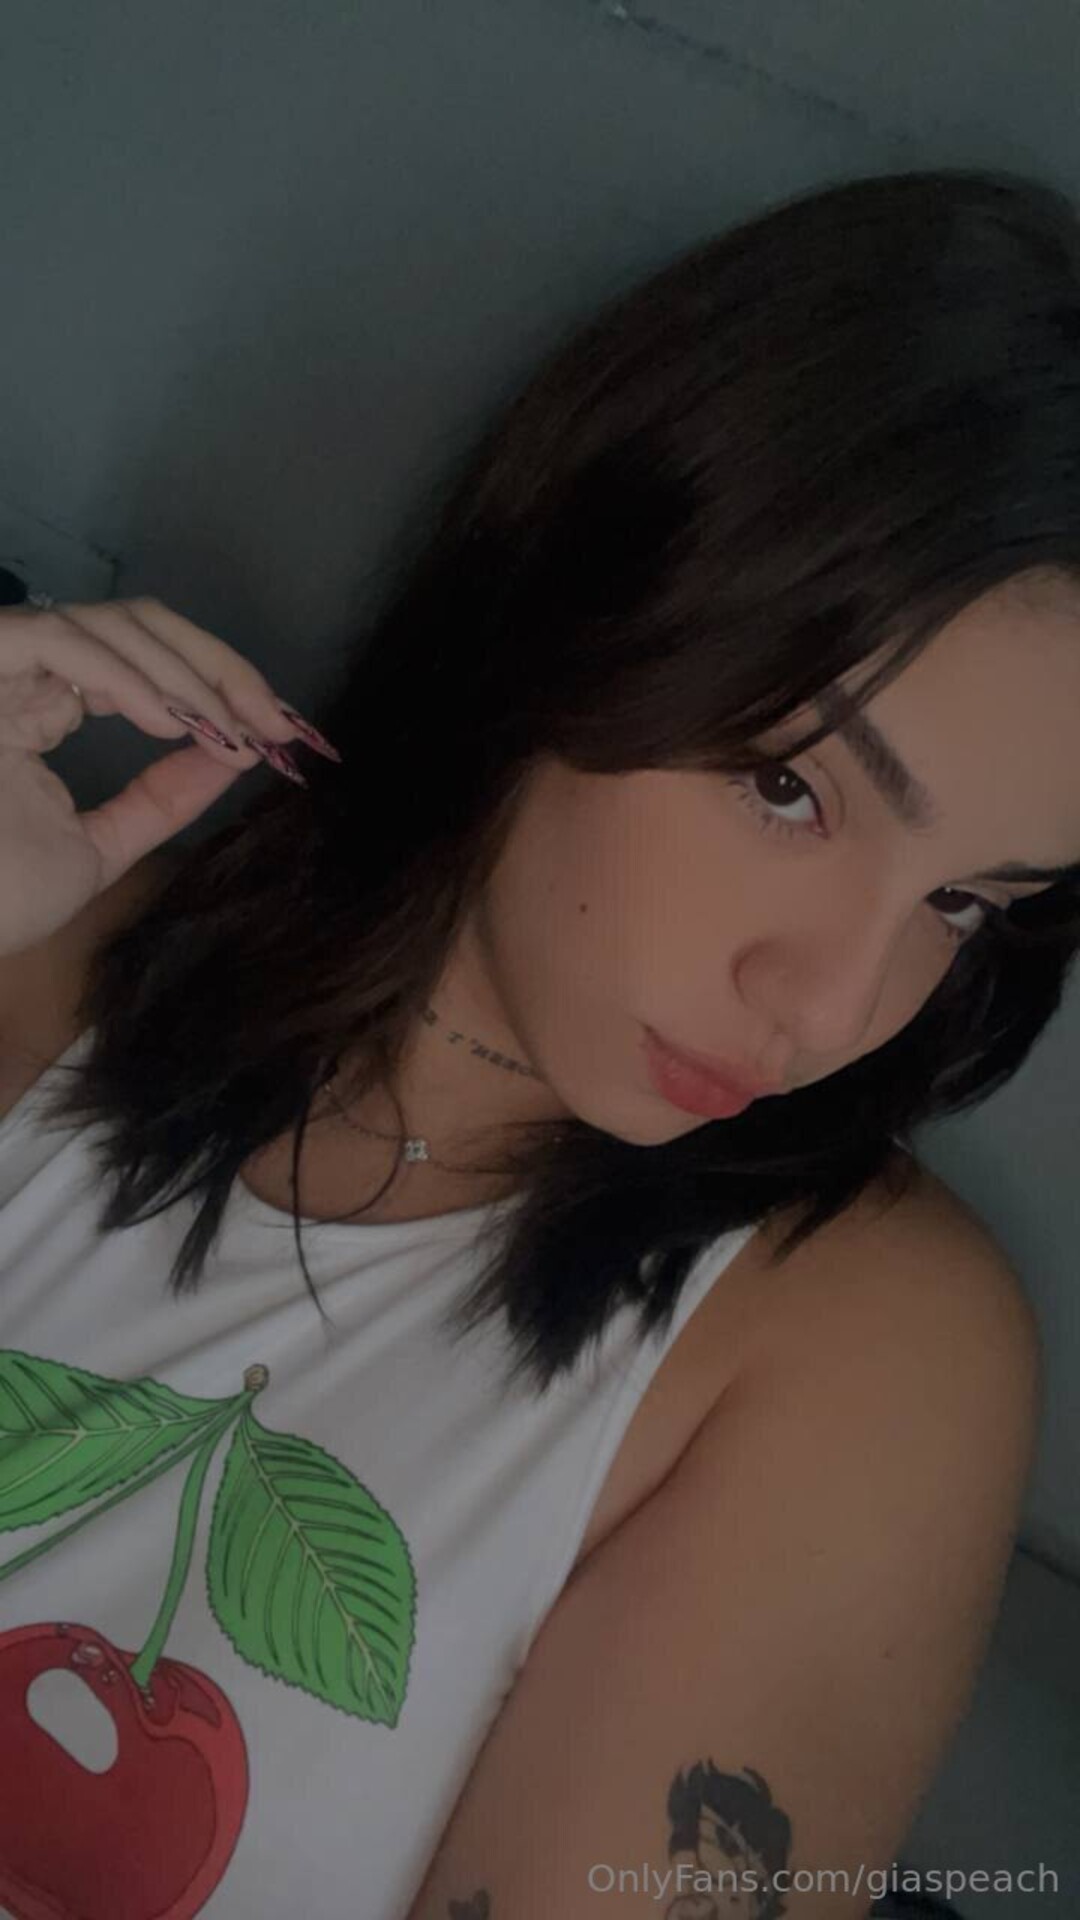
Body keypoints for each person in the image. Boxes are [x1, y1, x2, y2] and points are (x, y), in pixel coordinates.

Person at [0, 165, 1077, 1920]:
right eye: (789, 789)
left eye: (968, 901)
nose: (832, 1010)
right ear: (575, 608)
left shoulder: (856, 1350)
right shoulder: (43, 968)